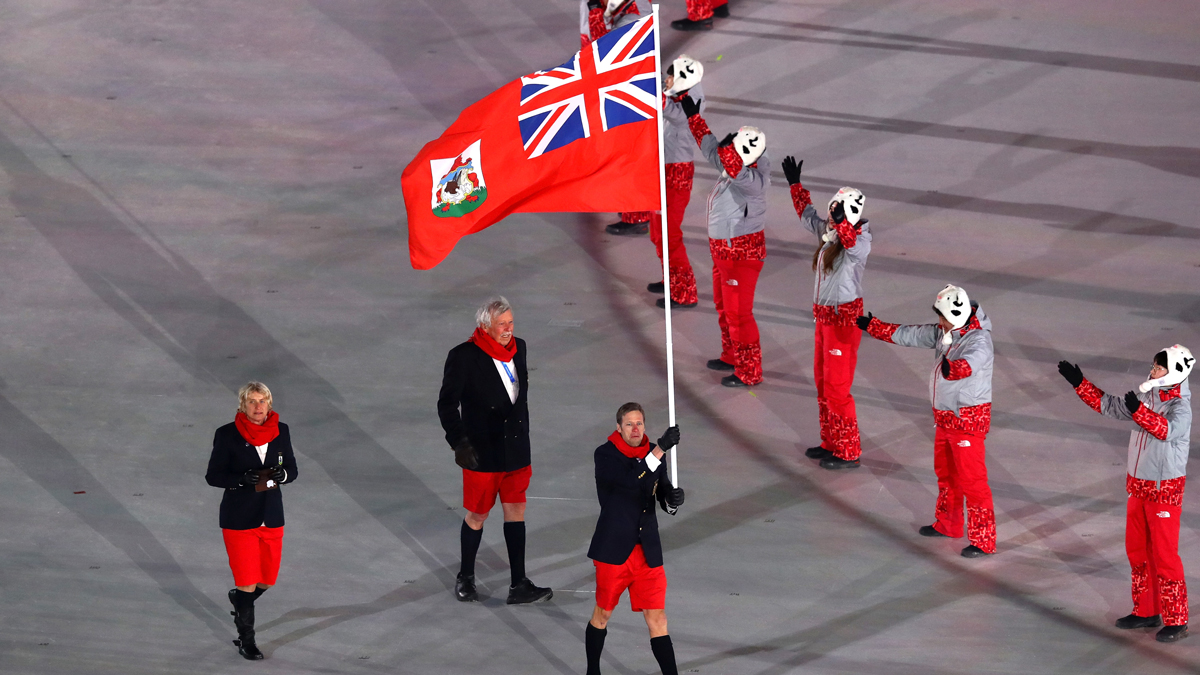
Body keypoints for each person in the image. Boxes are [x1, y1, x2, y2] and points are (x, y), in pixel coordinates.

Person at [1057, 345, 1193, 643]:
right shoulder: (1148, 398)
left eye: (1160, 367)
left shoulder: (1180, 406)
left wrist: (1139, 412)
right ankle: (1146, 611)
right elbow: (1111, 406)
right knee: (1138, 552)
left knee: (1165, 556)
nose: (1153, 370)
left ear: (1175, 372)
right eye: (1154, 365)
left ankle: (1177, 619)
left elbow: (1165, 430)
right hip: (1139, 487)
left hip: (1163, 490)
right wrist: (1080, 383)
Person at [858, 285, 997, 556]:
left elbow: (971, 364)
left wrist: (952, 368)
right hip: (946, 418)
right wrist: (874, 327)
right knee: (946, 475)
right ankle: (948, 524)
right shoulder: (946, 332)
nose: (939, 322)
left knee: (973, 482)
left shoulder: (979, 340)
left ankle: (983, 540)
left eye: (943, 317)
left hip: (967, 420)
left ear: (956, 315)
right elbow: (912, 334)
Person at [437, 297, 552, 604]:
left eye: (511, 323)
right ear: (484, 326)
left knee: (516, 512)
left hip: (515, 449)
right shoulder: (463, 356)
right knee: (477, 514)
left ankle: (518, 584)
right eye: (502, 324)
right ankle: (466, 577)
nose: (508, 330)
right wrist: (458, 442)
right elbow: (447, 404)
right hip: (482, 452)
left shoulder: (520, 348)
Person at [781, 155, 871, 469]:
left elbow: (851, 242)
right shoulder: (831, 234)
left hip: (843, 323)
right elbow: (808, 217)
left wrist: (843, 221)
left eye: (839, 212)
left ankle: (849, 451)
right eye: (833, 210)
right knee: (823, 383)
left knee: (837, 389)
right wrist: (796, 186)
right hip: (824, 319)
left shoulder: (860, 242)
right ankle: (831, 442)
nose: (832, 218)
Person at [584, 402, 685, 675]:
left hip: (647, 552)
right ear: (618, 427)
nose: (635, 429)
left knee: (658, 618)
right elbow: (630, 481)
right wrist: (660, 449)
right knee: (603, 615)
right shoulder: (605, 455)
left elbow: (661, 491)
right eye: (629, 424)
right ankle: (592, 670)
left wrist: (672, 501)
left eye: (639, 423)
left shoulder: (654, 453)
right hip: (614, 551)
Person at [679, 92, 770, 387]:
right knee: (723, 307)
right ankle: (732, 355)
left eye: (731, 147)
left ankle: (750, 371)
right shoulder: (737, 166)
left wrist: (728, 148)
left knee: (739, 314)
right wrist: (695, 119)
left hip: (739, 256)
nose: (725, 151)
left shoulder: (752, 179)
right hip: (723, 252)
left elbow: (730, 164)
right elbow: (711, 150)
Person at [205, 381, 298, 660]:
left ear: (269, 404)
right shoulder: (227, 434)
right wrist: (240, 480)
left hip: (271, 517)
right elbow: (213, 476)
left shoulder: (281, 431)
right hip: (239, 520)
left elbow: (290, 467)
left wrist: (283, 476)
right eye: (252, 402)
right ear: (242, 405)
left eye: (262, 401)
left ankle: (240, 599)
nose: (258, 407)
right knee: (246, 581)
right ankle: (247, 640)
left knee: (267, 580)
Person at [579, 0, 655, 236]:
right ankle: (631, 210)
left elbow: (606, 48)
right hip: (625, 91)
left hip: (625, 96)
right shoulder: (630, 9)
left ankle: (636, 215)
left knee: (627, 156)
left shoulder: (632, 18)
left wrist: (595, 14)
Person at [648, 55, 705, 309]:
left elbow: (675, 115)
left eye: (670, 76)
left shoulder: (691, 104)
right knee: (658, 231)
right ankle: (670, 279)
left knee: (670, 233)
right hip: (662, 168)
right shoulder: (675, 93)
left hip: (677, 173)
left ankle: (685, 292)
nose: (666, 80)